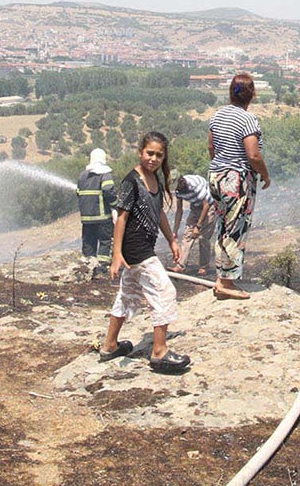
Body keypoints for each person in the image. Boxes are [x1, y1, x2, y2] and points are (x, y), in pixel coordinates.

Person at [98, 131, 191, 374]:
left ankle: (109, 345)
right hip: (135, 248)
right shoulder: (131, 181)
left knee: (127, 295)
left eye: (159, 155)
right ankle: (159, 352)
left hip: (142, 247)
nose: (154, 158)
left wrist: (172, 239)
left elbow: (159, 213)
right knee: (165, 291)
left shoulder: (154, 180)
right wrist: (116, 254)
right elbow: (122, 217)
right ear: (140, 152)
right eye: (150, 153)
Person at [207, 72, 271, 300]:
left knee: (223, 227)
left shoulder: (217, 116)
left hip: (216, 176)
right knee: (235, 229)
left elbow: (212, 148)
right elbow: (253, 155)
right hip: (236, 179)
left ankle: (221, 277)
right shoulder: (248, 120)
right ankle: (227, 282)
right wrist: (265, 175)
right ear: (252, 94)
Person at [76, 148, 116, 266]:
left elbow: (78, 193)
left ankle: (87, 268)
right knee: (106, 242)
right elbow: (109, 191)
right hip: (103, 218)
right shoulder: (105, 175)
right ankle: (102, 268)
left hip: (86, 219)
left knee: (88, 243)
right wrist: (115, 205)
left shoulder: (82, 176)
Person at [170, 174, 215, 275]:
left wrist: (198, 226)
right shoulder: (178, 190)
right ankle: (181, 266)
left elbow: (206, 205)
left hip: (209, 207)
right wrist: (175, 231)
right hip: (195, 207)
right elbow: (179, 210)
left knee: (203, 238)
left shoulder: (195, 186)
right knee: (187, 236)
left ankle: (204, 267)